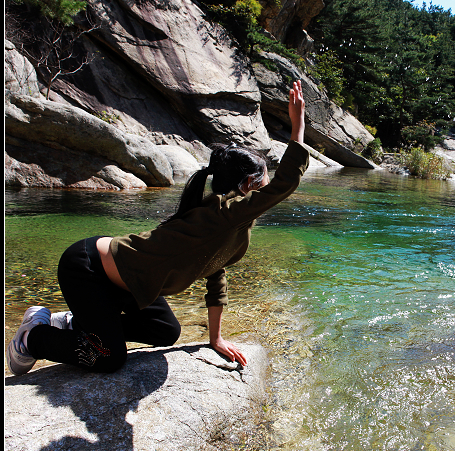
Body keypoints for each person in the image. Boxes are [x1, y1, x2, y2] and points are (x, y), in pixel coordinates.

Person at [6, 80, 310, 376]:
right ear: (247, 186)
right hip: (88, 270)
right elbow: (286, 184)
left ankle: (76, 322)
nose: (268, 190)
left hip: (124, 284)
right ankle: (32, 338)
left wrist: (215, 339)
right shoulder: (223, 215)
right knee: (109, 358)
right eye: (264, 182)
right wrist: (297, 128)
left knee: (165, 331)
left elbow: (215, 274)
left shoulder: (227, 225)